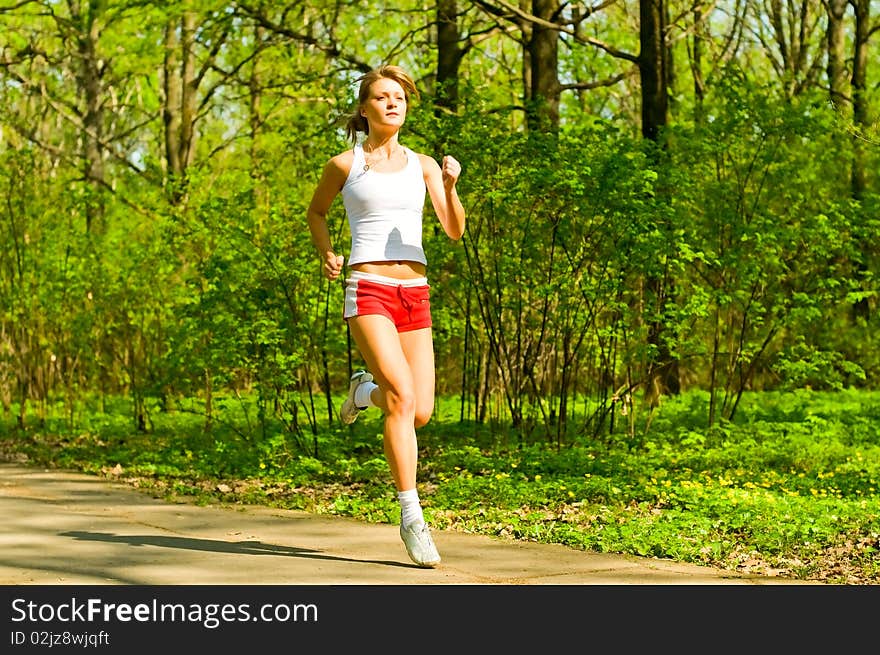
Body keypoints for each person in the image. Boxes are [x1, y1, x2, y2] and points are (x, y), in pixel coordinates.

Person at [305, 65, 466, 567]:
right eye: (381, 97)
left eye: (398, 97)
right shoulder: (344, 164)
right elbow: (316, 212)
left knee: (418, 411)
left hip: (415, 290)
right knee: (402, 398)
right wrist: (327, 252)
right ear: (365, 108)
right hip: (368, 287)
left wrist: (450, 184)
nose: (392, 103)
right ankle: (412, 515)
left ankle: (362, 391)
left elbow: (454, 230)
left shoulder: (422, 165)